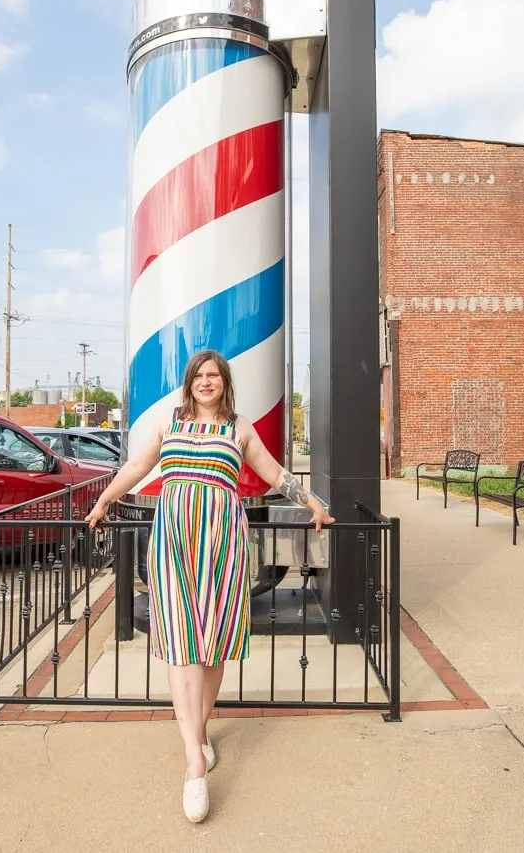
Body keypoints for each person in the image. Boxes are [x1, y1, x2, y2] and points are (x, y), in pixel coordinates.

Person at [86, 349, 332, 823]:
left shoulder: (239, 429)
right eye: (199, 376)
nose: (206, 382)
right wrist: (103, 501)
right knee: (181, 644)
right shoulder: (168, 425)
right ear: (189, 382)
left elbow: (276, 474)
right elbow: (136, 469)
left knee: (213, 645)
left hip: (223, 546)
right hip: (174, 544)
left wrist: (313, 503)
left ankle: (198, 731)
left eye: (213, 376)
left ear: (224, 383)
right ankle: (195, 763)